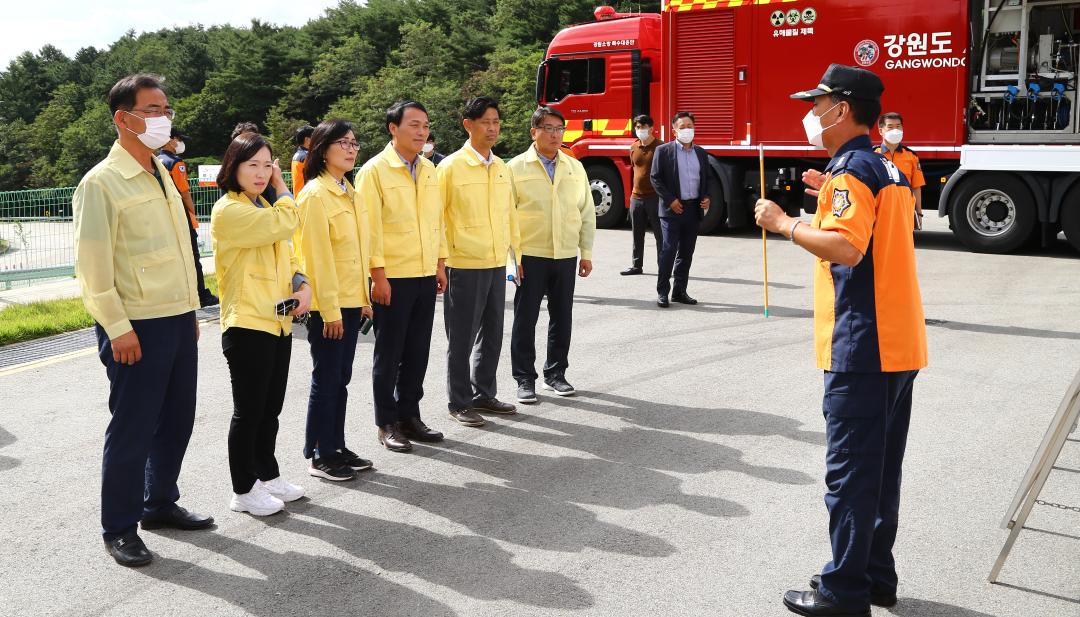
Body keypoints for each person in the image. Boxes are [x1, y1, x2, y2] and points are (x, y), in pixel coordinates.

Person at [754, 64, 928, 617]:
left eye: (819, 103)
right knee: (879, 471)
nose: (811, 113)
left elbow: (847, 249)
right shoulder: (881, 165)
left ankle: (843, 592)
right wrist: (826, 191)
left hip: (864, 343)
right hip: (898, 341)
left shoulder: (853, 170)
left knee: (851, 472)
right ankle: (873, 575)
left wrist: (783, 224)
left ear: (842, 110)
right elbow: (867, 230)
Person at [73, 73, 213, 568]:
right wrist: (117, 327)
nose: (163, 117)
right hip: (135, 324)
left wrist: (191, 310)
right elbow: (92, 270)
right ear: (123, 118)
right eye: (152, 109)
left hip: (176, 317)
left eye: (166, 108)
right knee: (133, 427)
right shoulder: (101, 183)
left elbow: (177, 252)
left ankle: (159, 502)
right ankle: (119, 527)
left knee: (177, 419)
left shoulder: (161, 171)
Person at [210, 132, 311, 516]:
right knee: (248, 411)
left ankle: (267, 475)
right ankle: (242, 489)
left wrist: (302, 284)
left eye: (268, 165)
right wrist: (284, 186)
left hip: (279, 321)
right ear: (232, 167)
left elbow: (288, 254)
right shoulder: (230, 210)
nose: (261, 172)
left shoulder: (261, 208)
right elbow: (284, 224)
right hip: (247, 324)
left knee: (270, 409)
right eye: (252, 164)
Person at [359, 101, 448, 453]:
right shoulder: (374, 171)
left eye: (425, 125)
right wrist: (377, 276)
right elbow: (369, 229)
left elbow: (436, 221)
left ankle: (410, 414)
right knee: (389, 353)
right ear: (392, 128)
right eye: (413, 124)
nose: (421, 131)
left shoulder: (429, 170)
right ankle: (387, 422)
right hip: (392, 276)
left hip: (425, 273)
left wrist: (440, 264)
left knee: (417, 352)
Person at [295, 119, 375, 479]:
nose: (351, 148)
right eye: (343, 142)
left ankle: (335, 444)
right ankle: (319, 453)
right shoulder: (314, 195)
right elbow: (317, 259)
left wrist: (363, 299)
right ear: (322, 150)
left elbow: (355, 253)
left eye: (354, 143)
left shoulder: (349, 191)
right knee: (326, 377)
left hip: (348, 300)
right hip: (328, 306)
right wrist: (328, 311)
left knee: (340, 377)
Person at [439, 96, 521, 427]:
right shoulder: (449, 168)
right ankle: (459, 401)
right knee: (461, 337)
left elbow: (510, 215)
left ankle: (483, 393)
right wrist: (441, 261)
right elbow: (437, 218)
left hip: (495, 260)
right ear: (468, 125)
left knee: (493, 332)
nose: (492, 128)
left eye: (496, 122)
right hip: (463, 262)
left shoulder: (501, 167)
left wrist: (515, 257)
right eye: (486, 122)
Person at [506, 106, 595, 404]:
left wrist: (586, 252)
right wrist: (513, 260)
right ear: (534, 132)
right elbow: (506, 216)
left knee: (562, 317)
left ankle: (556, 373)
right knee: (525, 317)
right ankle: (524, 378)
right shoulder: (515, 168)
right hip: (530, 255)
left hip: (566, 254)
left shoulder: (574, 167)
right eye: (548, 128)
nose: (555, 134)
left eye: (559, 128)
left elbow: (586, 212)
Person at [650, 111, 711, 308]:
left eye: (690, 126)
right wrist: (670, 200)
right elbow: (655, 178)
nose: (687, 130)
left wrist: (707, 197)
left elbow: (706, 179)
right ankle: (662, 292)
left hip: (693, 210)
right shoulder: (664, 151)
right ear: (674, 130)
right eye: (682, 127)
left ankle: (679, 291)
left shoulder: (701, 153)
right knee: (668, 250)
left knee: (686, 252)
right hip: (672, 210)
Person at [158, 127, 218, 307]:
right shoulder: (176, 162)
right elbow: (184, 192)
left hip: (163, 214)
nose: (180, 143)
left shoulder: (156, 160)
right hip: (181, 213)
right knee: (193, 256)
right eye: (178, 139)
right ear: (170, 140)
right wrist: (192, 212)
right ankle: (201, 294)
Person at [621, 114, 662, 276]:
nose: (640, 130)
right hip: (636, 197)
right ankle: (637, 265)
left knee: (660, 235)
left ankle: (663, 266)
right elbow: (635, 168)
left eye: (643, 127)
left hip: (655, 197)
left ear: (651, 128)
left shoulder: (661, 147)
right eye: (637, 127)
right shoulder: (633, 147)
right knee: (637, 233)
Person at [874, 112, 926, 228]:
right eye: (890, 127)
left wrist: (919, 214)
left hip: (904, 213)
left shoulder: (911, 157)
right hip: (878, 213)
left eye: (898, 126)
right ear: (880, 131)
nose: (895, 130)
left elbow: (916, 187)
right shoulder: (872, 156)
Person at [291, 124, 314, 195]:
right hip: (306, 196)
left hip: (298, 196)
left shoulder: (298, 154)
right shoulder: (307, 157)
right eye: (314, 137)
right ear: (307, 140)